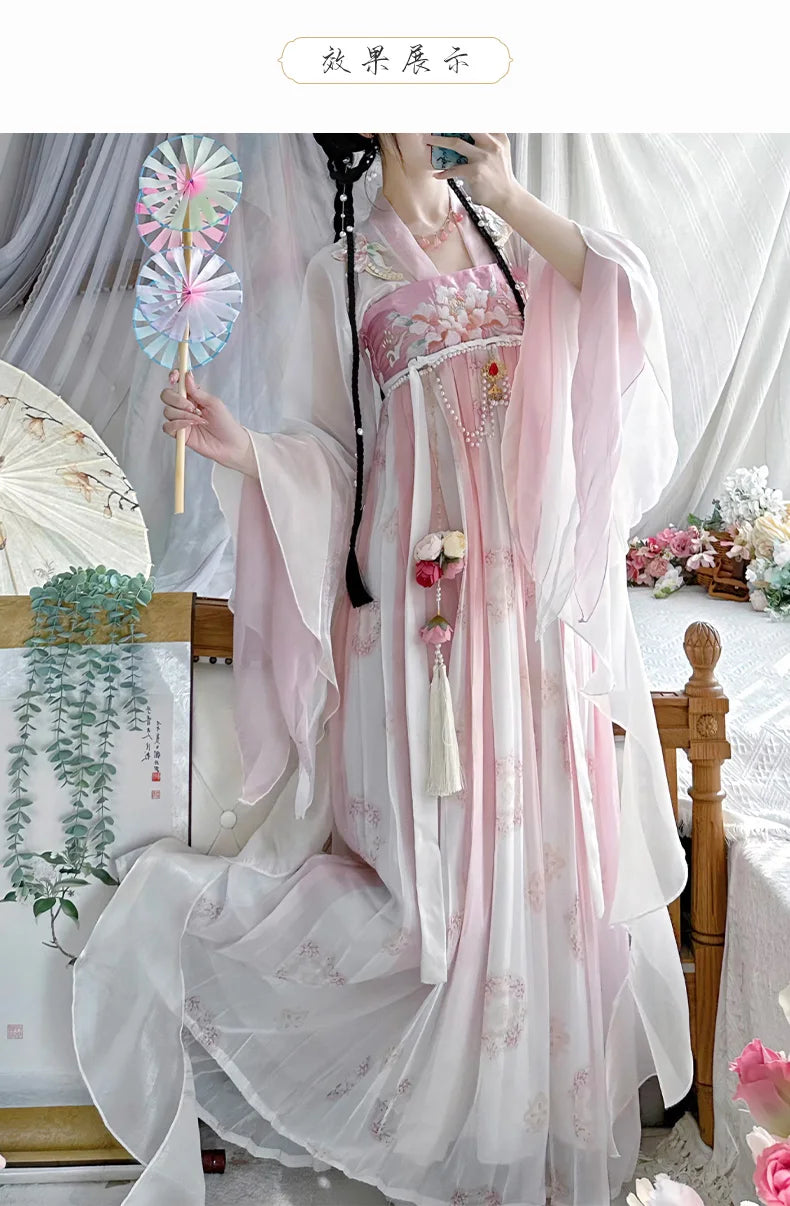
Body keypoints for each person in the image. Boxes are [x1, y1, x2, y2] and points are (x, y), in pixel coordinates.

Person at [72, 134, 692, 1206]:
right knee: (429, 890)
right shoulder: (339, 272)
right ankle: (423, 1109)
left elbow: (624, 307)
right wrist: (244, 448)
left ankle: (518, 1127)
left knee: (539, 852)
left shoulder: (515, 241)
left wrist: (506, 192)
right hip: (407, 615)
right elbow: (331, 452)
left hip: (522, 610)